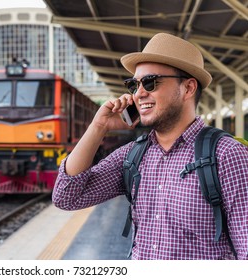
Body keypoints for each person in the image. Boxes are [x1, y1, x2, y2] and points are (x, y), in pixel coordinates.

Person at [52, 33, 248, 260]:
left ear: (188, 88)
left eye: (150, 82)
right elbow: (66, 197)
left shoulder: (228, 155)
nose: (139, 93)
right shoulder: (134, 155)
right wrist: (99, 126)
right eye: (133, 85)